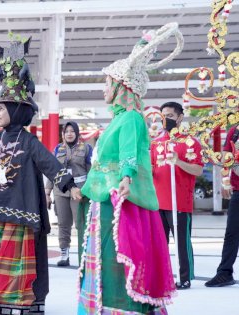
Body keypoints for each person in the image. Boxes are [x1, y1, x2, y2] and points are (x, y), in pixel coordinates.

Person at [0, 37, 82, 315]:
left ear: (14, 111)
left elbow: (51, 165)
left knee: (15, 262)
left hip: (19, 209)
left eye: (1, 109)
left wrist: (70, 185)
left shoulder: (29, 143)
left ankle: (15, 304)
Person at [78, 23, 183, 314]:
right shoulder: (118, 119)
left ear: (121, 86)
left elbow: (129, 154)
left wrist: (126, 177)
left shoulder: (131, 119)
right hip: (106, 197)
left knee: (116, 258)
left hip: (120, 200)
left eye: (108, 82)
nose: (104, 87)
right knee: (104, 257)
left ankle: (119, 308)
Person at [150, 101, 203, 290]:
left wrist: (178, 161)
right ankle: (161, 277)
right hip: (158, 202)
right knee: (159, 244)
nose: (166, 120)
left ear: (180, 117)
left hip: (179, 202)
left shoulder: (189, 142)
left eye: (170, 116)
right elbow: (151, 170)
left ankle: (185, 278)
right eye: (163, 116)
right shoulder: (156, 142)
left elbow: (197, 169)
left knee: (182, 242)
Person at [45, 121, 92, 267]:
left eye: (72, 131)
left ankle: (84, 254)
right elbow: (52, 171)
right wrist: (47, 192)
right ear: (63, 134)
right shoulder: (58, 149)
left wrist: (90, 191)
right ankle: (64, 254)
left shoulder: (86, 148)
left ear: (77, 133)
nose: (69, 134)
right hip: (61, 190)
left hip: (79, 190)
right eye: (66, 131)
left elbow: (91, 171)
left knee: (81, 224)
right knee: (63, 224)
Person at [205, 123, 239, 287]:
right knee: (232, 233)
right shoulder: (235, 131)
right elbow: (226, 157)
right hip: (238, 189)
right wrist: (225, 182)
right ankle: (224, 273)